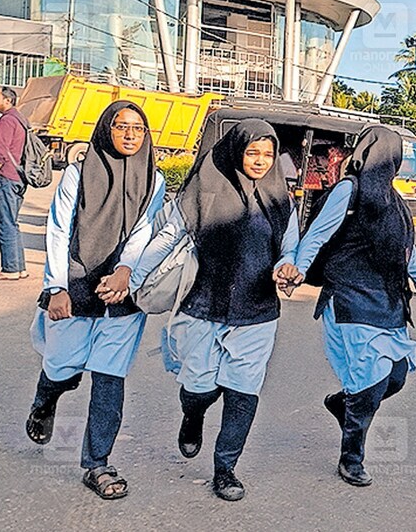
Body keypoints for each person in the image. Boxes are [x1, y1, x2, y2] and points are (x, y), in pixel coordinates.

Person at [114, 120, 297, 501]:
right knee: (199, 387)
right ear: (236, 152)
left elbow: (289, 248)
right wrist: (131, 280)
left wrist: (288, 267)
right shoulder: (204, 191)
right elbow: (167, 239)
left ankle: (225, 468)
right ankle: (193, 415)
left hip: (258, 312)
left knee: (243, 392)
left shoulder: (281, 200)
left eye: (268, 154)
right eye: (253, 153)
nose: (261, 161)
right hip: (201, 308)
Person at [275, 125, 416, 488]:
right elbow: (317, 235)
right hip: (350, 297)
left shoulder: (393, 200)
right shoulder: (348, 191)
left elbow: (407, 249)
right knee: (369, 382)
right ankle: (351, 457)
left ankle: (344, 404)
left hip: (387, 299)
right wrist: (297, 270)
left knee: (395, 376)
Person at [24, 101, 165, 500]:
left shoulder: (153, 180)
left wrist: (126, 272)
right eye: (122, 126)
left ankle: (97, 463)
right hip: (77, 283)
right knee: (61, 365)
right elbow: (58, 227)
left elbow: (142, 231)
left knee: (109, 377)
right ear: (107, 128)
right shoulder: (77, 172)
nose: (130, 135)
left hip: (121, 294)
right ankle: (44, 400)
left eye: (138, 129)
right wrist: (56, 286)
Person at [0, 87, 30, 279]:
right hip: (19, 178)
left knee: (5, 223)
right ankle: (19, 267)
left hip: (6, 178)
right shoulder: (21, 120)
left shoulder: (6, 122)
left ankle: (10, 269)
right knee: (12, 222)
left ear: (8, 101)